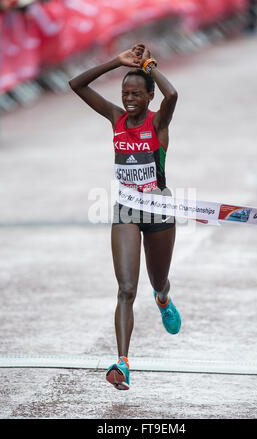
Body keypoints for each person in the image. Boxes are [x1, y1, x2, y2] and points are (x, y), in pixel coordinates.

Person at [69, 44, 181, 390]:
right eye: (125, 93)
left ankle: (162, 297)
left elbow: (173, 93)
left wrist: (149, 66)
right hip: (126, 211)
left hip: (160, 209)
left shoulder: (157, 120)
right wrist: (115, 62)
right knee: (126, 289)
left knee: (156, 281)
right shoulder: (115, 118)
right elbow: (77, 85)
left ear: (149, 96)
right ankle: (122, 362)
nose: (129, 99)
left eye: (136, 93)